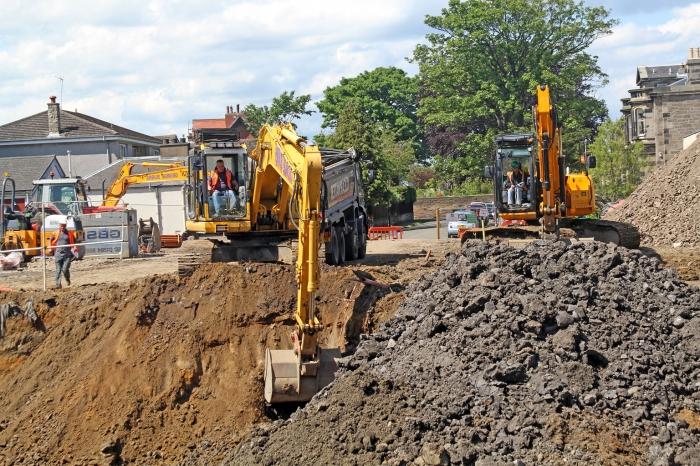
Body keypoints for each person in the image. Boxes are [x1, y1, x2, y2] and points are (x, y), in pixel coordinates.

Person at [50, 220, 78, 288]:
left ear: (65, 226)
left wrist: (75, 249)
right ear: (59, 226)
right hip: (58, 254)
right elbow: (50, 241)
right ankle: (58, 284)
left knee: (65, 269)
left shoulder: (69, 234)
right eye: (61, 226)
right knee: (58, 270)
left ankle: (67, 279)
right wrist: (50, 249)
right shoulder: (55, 233)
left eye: (63, 226)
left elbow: (74, 243)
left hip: (67, 255)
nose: (62, 227)